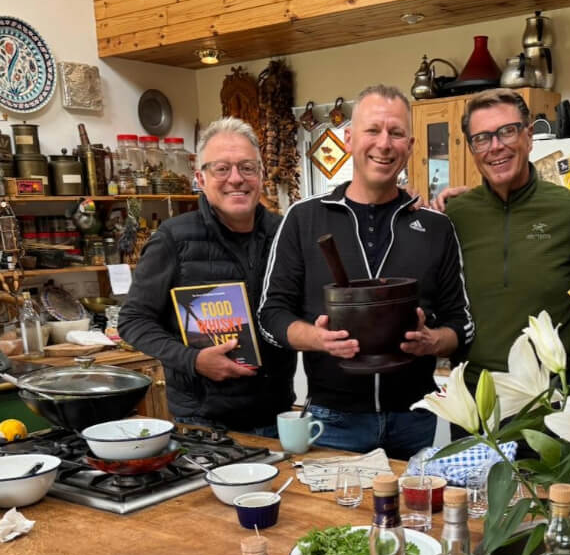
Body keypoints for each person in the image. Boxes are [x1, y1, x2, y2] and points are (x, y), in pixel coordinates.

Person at [257, 84, 473, 460]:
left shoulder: (436, 228)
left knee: (418, 520)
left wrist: (432, 341)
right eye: (373, 130)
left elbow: (462, 324)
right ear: (349, 138)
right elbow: (270, 315)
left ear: (411, 145)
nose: (384, 143)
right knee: (330, 520)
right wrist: (316, 338)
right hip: (332, 421)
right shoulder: (304, 219)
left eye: (396, 133)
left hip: (416, 418)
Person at [118, 117, 296, 434]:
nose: (236, 179)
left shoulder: (286, 233)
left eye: (247, 168)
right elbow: (133, 321)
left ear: (261, 174)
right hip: (203, 420)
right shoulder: (173, 239)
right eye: (222, 169)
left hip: (277, 414)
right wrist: (193, 360)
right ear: (200, 177)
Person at [444, 88, 570, 388]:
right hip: (474, 390)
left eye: (507, 132)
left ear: (529, 136)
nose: (495, 147)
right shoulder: (455, 215)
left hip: (549, 392)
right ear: (471, 149)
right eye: (481, 138)